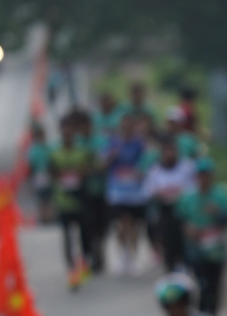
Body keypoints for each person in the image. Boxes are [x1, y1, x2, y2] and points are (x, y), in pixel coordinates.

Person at [178, 155, 227, 315]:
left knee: (214, 287)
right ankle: (201, 315)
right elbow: (180, 220)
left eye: (206, 175)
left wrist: (217, 214)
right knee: (201, 285)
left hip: (216, 251)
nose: (203, 179)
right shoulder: (188, 197)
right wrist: (188, 229)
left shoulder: (222, 195)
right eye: (200, 175)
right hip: (195, 250)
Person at [48, 111, 95, 289]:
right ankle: (71, 269)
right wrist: (61, 176)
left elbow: (91, 168)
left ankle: (85, 260)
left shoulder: (83, 151)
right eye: (64, 129)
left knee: (84, 233)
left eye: (70, 129)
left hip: (81, 199)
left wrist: (81, 172)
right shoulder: (54, 152)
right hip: (64, 200)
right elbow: (51, 172)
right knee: (67, 235)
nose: (67, 132)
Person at [104, 111, 151, 274]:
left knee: (135, 226)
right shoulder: (114, 142)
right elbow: (103, 162)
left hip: (136, 192)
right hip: (118, 192)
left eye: (130, 125)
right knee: (123, 224)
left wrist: (140, 171)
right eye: (124, 125)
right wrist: (112, 156)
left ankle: (133, 256)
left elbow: (147, 162)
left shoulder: (140, 143)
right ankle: (123, 255)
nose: (127, 128)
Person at [143, 131, 197, 270]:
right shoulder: (155, 170)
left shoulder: (187, 167)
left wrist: (179, 195)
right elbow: (149, 190)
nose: (169, 154)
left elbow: (194, 188)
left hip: (183, 211)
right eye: (166, 151)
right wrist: (161, 195)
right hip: (164, 210)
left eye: (171, 150)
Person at [26, 120, 54, 225]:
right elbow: (31, 166)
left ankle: (49, 216)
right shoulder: (34, 150)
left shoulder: (48, 148)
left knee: (48, 197)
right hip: (39, 175)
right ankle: (43, 216)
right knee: (42, 197)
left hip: (48, 175)